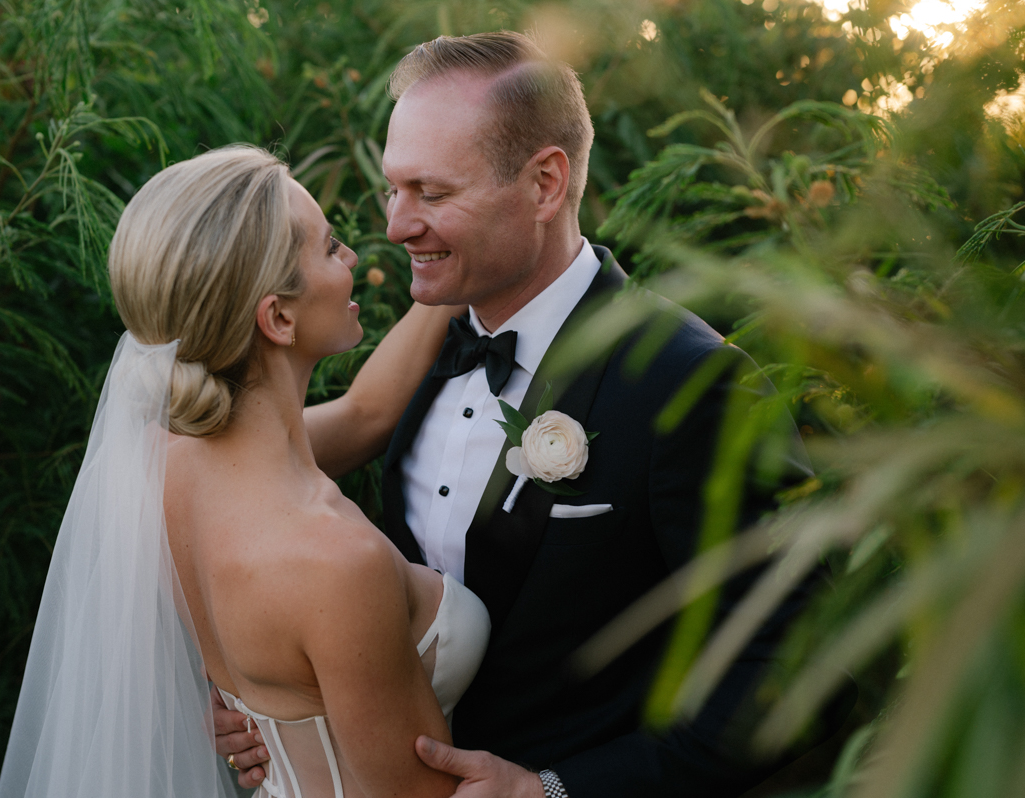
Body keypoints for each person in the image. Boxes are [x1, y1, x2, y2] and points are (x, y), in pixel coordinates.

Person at [218, 31, 819, 798]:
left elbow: (796, 674)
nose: (398, 226)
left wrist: (560, 789)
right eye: (393, 189)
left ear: (544, 184)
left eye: (432, 194)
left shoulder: (689, 386)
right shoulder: (418, 354)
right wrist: (267, 705)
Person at [0, 145, 492, 798]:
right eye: (331, 246)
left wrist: (452, 274)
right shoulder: (335, 562)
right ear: (278, 317)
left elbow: (368, 415)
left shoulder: (162, 468)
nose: (352, 259)